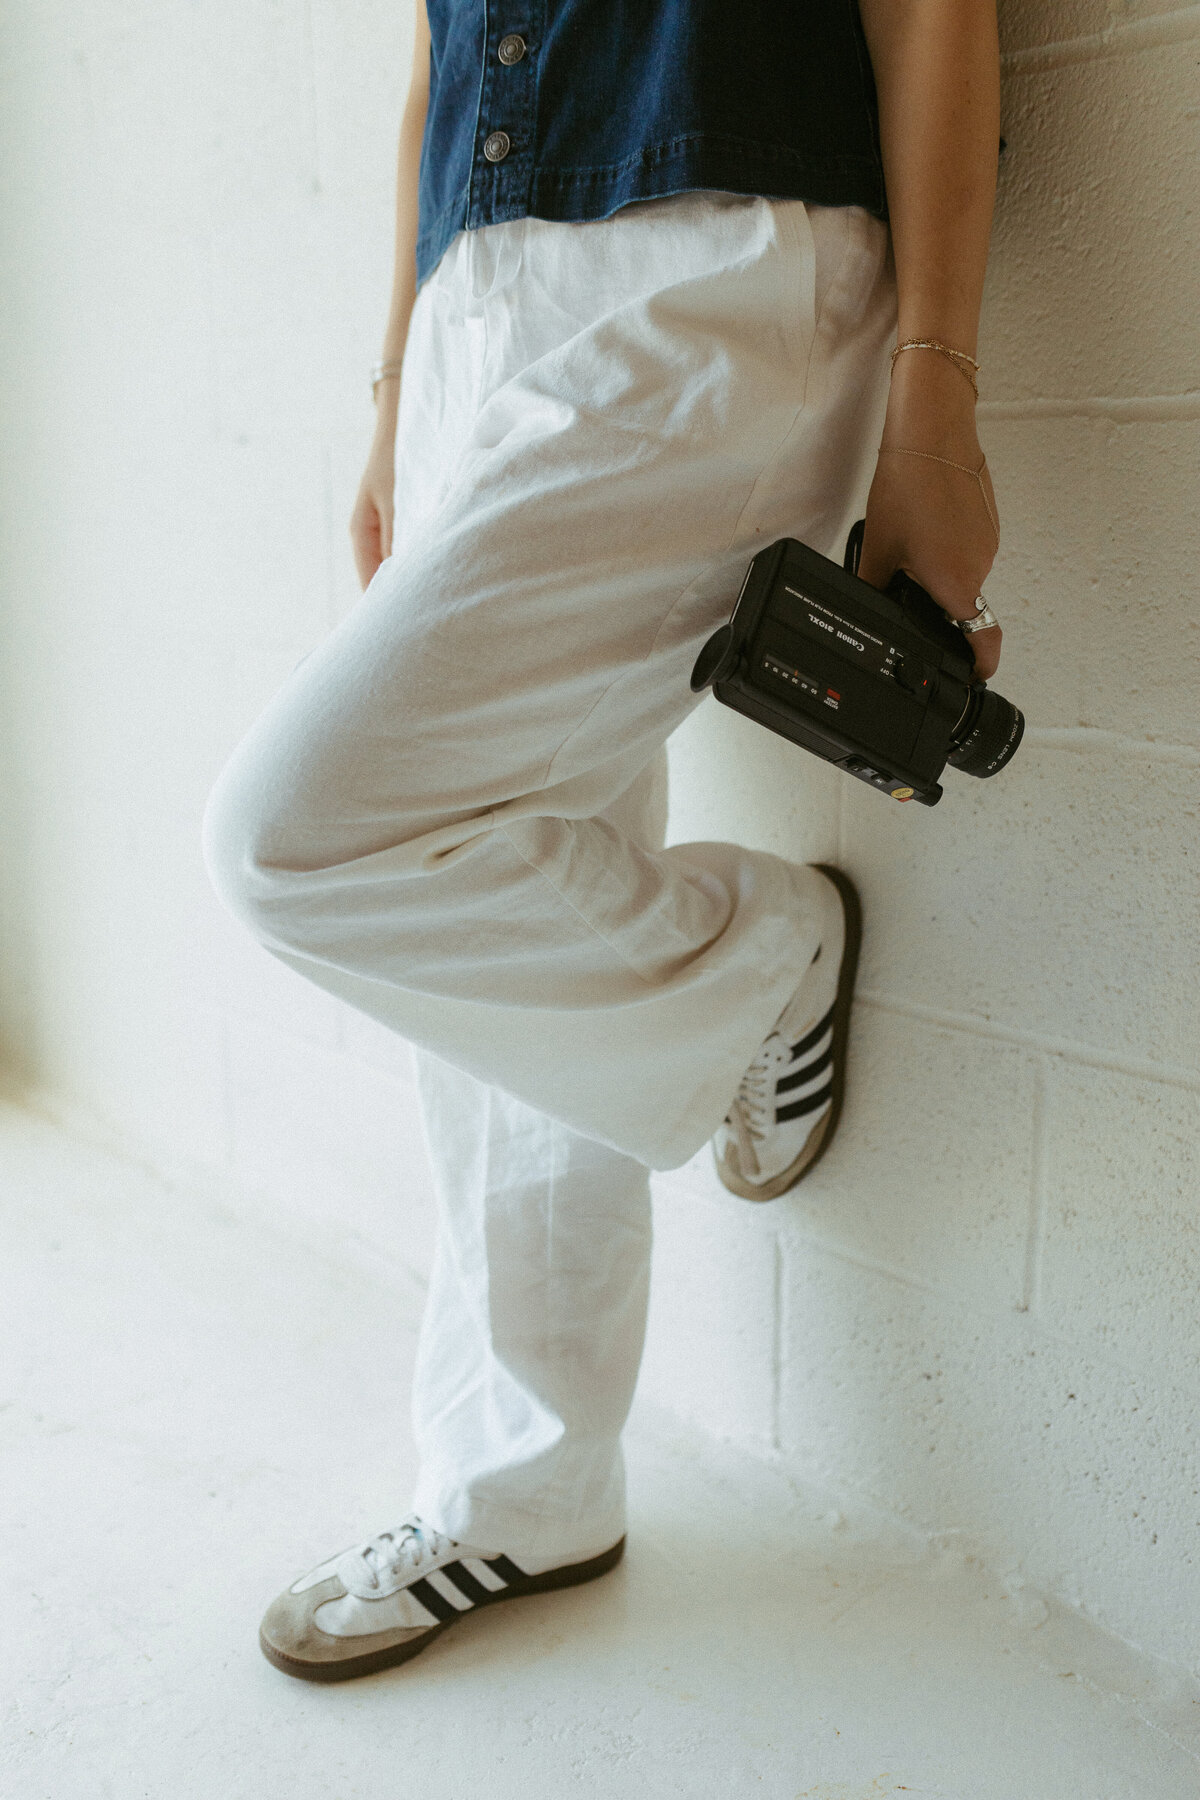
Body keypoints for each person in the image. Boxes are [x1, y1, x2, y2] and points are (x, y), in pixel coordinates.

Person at [202, 0, 1003, 1682]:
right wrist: (396, 385)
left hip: (712, 270)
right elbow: (431, 57)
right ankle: (529, 1486)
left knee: (296, 839)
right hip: (473, 305)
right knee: (509, 888)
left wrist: (935, 393)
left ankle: (757, 956)